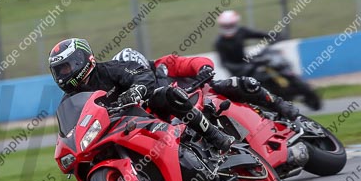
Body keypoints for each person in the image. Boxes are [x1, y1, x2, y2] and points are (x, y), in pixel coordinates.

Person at [49, 38, 235, 152]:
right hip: (117, 130)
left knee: (168, 94)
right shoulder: (70, 101)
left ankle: (214, 135)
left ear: (80, 61)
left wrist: (136, 90)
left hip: (146, 112)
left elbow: (142, 75)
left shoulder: (109, 70)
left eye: (65, 68)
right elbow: (70, 130)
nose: (62, 75)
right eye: (58, 71)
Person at [112, 49, 299, 121]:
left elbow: (193, 62)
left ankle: (280, 104)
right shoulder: (139, 94)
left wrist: (203, 68)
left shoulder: (164, 65)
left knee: (240, 83)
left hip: (206, 94)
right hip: (185, 119)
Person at [214, 10, 270, 77]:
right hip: (238, 74)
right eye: (225, 25)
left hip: (248, 63)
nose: (228, 27)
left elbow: (258, 34)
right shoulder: (219, 42)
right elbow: (224, 63)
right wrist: (244, 67)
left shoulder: (241, 31)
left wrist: (273, 35)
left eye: (230, 25)